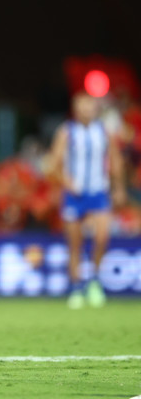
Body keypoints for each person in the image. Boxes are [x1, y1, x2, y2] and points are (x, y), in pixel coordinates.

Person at [48, 92, 126, 309]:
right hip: (74, 194)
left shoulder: (104, 132)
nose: (85, 111)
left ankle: (94, 280)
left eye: (89, 106)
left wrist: (118, 186)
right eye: (81, 107)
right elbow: (54, 163)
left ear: (95, 109)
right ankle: (76, 287)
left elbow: (115, 158)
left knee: (102, 237)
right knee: (75, 243)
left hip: (98, 191)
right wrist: (66, 182)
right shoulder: (67, 132)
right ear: (75, 109)